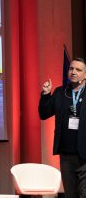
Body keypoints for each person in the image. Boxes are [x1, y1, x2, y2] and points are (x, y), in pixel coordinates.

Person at [39, 57, 86, 198]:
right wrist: (46, 95)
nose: (73, 72)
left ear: (85, 74)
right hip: (66, 155)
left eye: (78, 70)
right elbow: (44, 113)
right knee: (71, 194)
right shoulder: (60, 92)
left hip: (84, 155)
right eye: (71, 68)